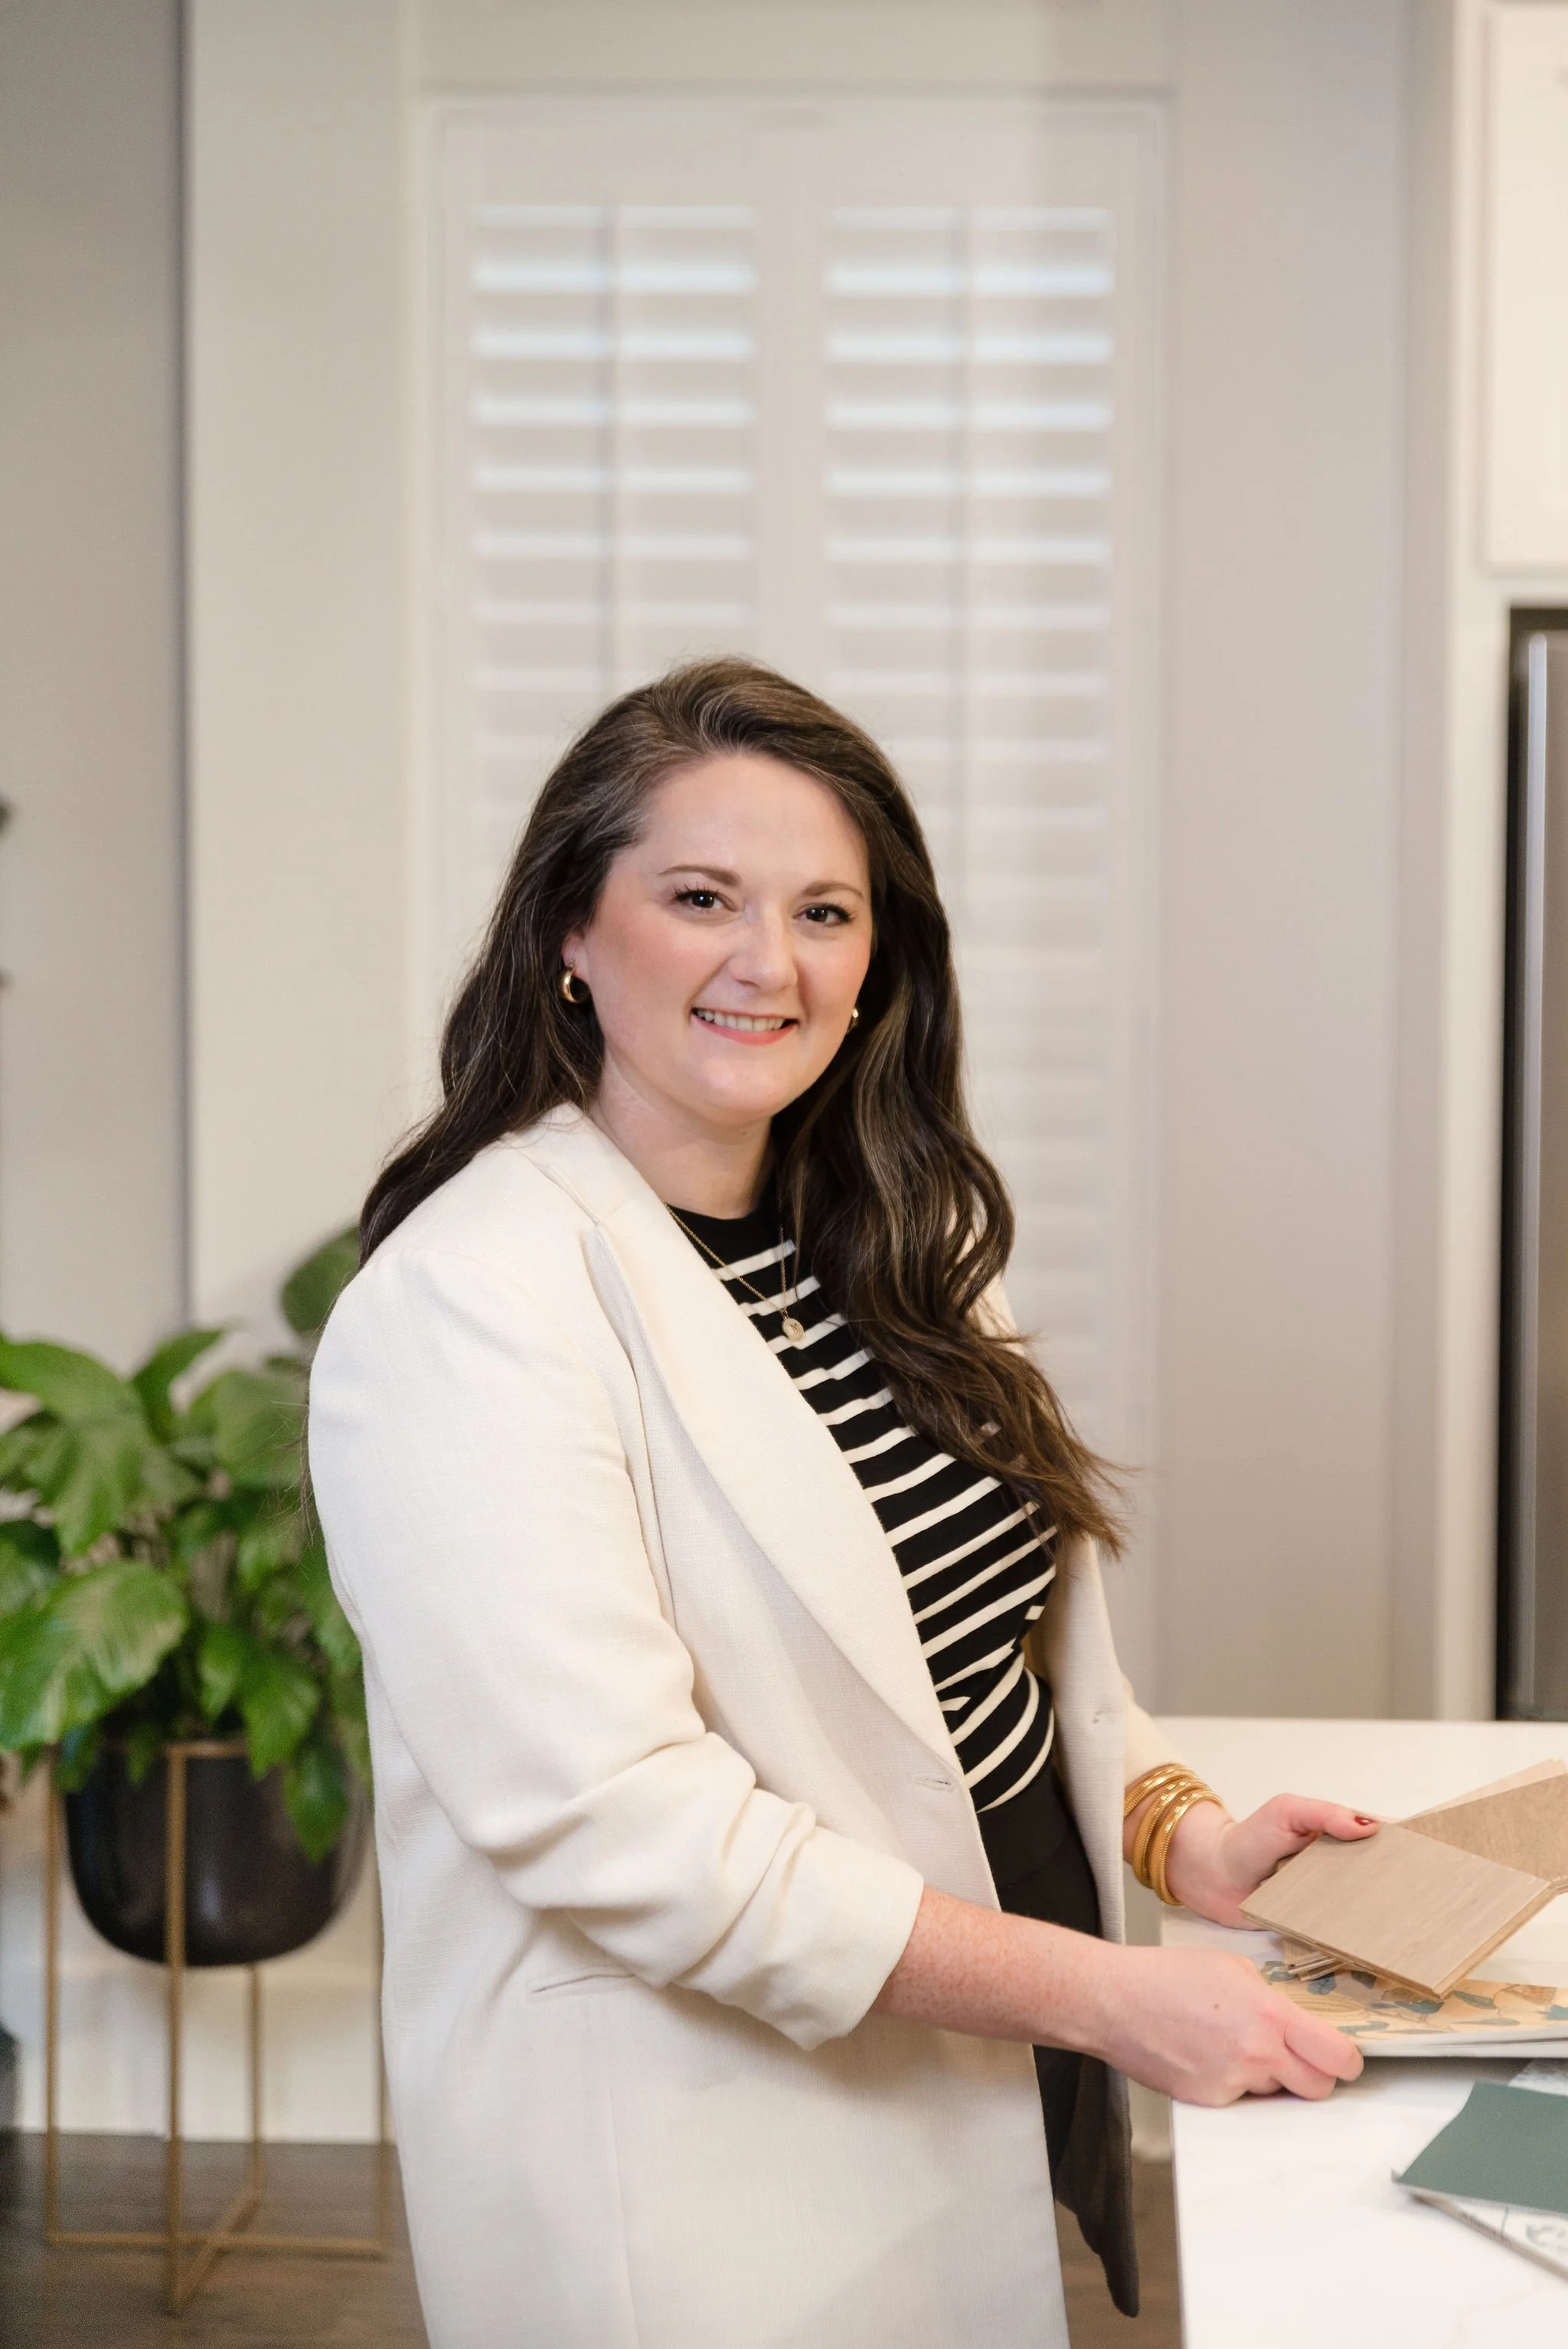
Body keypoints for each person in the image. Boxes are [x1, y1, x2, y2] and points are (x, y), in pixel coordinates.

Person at [308, 658, 1373, 2349]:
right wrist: (1104, 1995)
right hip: (701, 2173)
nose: (769, 963)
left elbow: (995, 1670)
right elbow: (623, 1827)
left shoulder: (893, 1242)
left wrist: (1192, 1839)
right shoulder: (470, 1303)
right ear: (569, 935)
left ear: (882, 965)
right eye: (699, 898)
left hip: (970, 2067)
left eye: (824, 910)